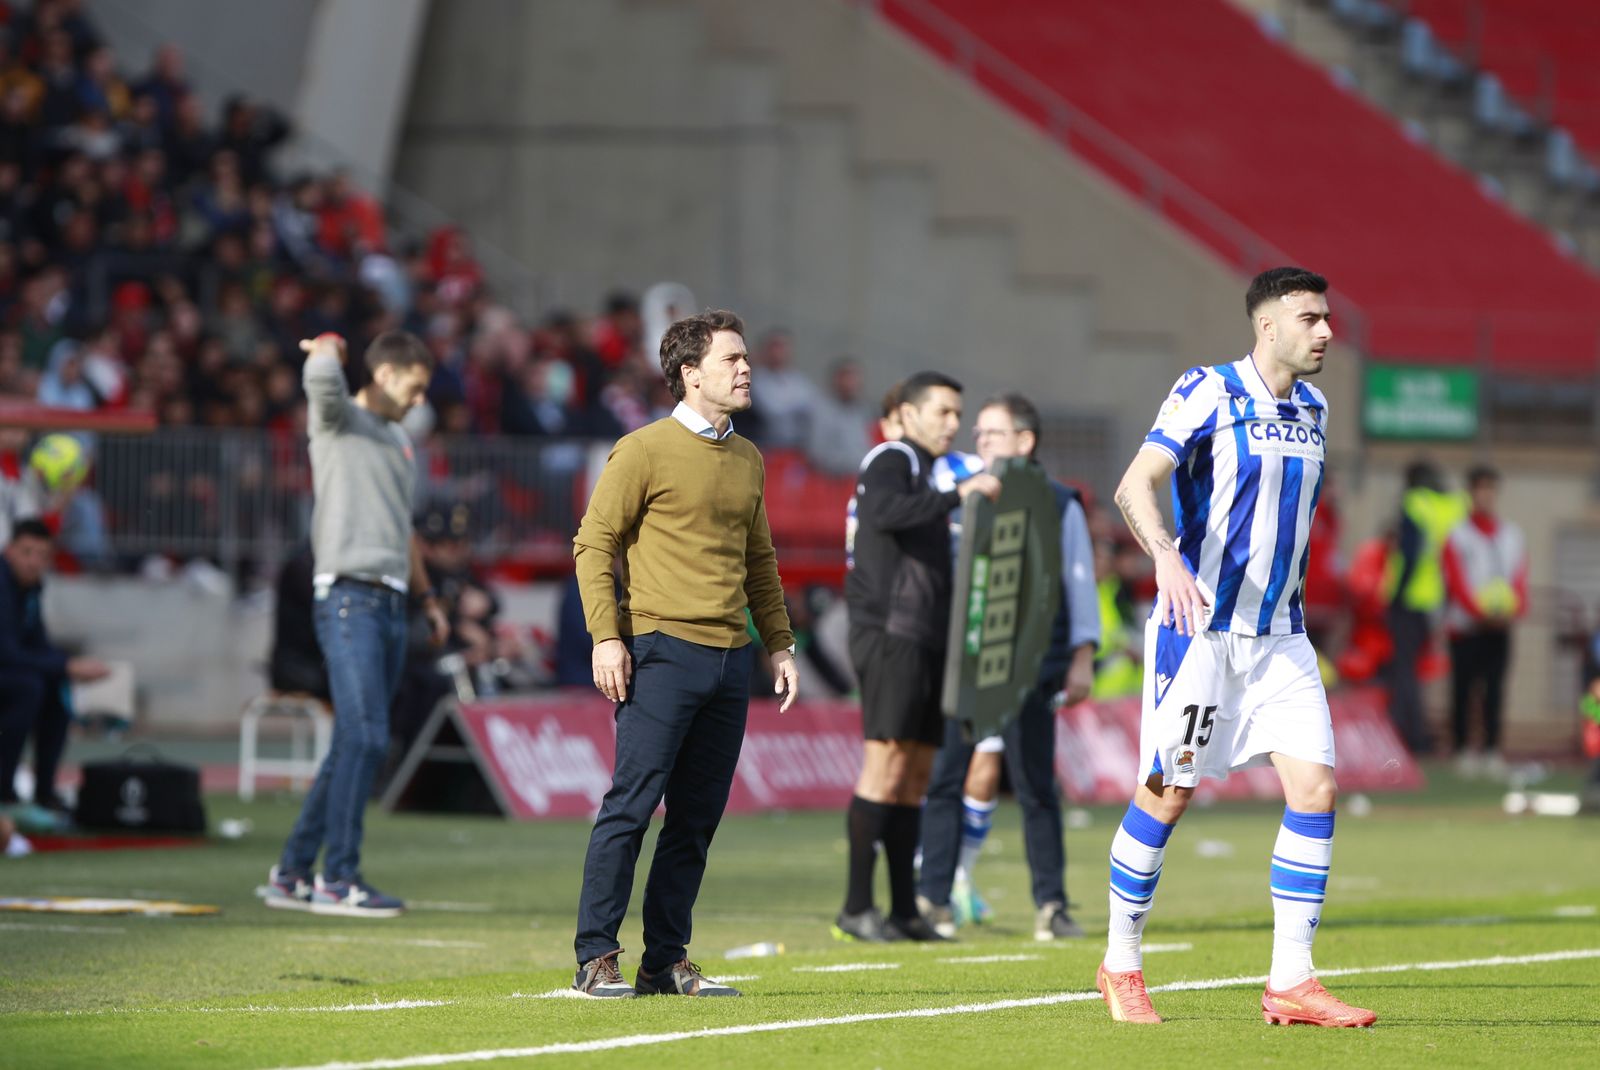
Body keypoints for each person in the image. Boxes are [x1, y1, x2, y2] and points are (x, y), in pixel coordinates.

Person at [1098, 267, 1375, 1028]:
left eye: (1327, 318)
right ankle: (1121, 962)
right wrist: (1164, 554)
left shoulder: (1314, 407)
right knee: (1170, 793)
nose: (1325, 332)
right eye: (1311, 318)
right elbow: (1134, 484)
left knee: (1316, 790)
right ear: (1268, 326)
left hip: (1281, 637)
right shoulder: (1207, 390)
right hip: (1201, 636)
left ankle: (1291, 980)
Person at [570, 309, 799, 999]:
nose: (745, 368)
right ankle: (596, 958)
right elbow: (592, 543)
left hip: (731, 660)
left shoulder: (749, 457)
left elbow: (760, 562)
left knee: (696, 822)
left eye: (745, 356)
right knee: (631, 806)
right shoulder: (641, 449)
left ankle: (664, 961)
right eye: (731, 359)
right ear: (689, 373)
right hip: (660, 651)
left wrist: (780, 644)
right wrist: (607, 636)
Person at [262, 331, 448, 918]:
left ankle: (292, 873)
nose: (421, 402)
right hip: (348, 598)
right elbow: (320, 379)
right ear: (387, 373)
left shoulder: (395, 439)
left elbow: (402, 529)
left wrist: (428, 599)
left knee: (355, 740)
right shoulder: (338, 420)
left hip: (391, 602)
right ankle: (338, 879)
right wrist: (327, 348)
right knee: (365, 736)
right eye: (416, 388)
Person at [916, 393, 1099, 941]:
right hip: (967, 665)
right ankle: (933, 901)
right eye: (979, 435)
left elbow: (1078, 581)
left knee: (1036, 784)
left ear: (1025, 442)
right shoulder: (964, 498)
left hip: (1031, 666)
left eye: (992, 434)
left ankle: (1051, 905)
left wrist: (1082, 657)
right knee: (947, 778)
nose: (980, 442)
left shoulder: (1061, 502)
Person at [836, 371, 1001, 943]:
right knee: (884, 767)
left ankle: (904, 911)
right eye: (942, 412)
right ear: (906, 414)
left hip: (926, 638)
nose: (952, 424)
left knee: (915, 777)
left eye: (958, 414)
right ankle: (857, 907)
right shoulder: (891, 457)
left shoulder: (923, 471)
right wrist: (961, 494)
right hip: (891, 634)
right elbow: (884, 514)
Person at [0, 519, 109, 810]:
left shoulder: (32, 588)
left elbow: (38, 644)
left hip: (10, 671)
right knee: (28, 687)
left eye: (42, 555)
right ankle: (4, 791)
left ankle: (45, 792)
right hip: (9, 671)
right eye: (27, 552)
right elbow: (7, 652)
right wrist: (67, 666)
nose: (34, 562)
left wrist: (70, 666)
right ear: (9, 551)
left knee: (54, 687)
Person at [1441, 465, 1526, 777]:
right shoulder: (1457, 536)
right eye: (1480, 489)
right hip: (1465, 629)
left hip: (1499, 628)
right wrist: (1480, 613)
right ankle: (1463, 749)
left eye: (1491, 489)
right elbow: (1456, 582)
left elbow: (1519, 580)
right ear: (1471, 493)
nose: (1486, 496)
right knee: (1463, 691)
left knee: (1495, 690)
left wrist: (1509, 612)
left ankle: (1492, 750)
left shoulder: (1512, 535)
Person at [1383, 461, 1465, 755]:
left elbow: (1411, 552)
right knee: (1418, 673)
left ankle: (1407, 735)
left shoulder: (1416, 503)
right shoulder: (1452, 506)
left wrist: (1396, 595)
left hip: (1411, 597)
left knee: (1404, 671)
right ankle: (1417, 734)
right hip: (1437, 599)